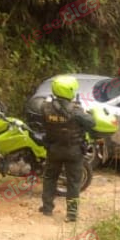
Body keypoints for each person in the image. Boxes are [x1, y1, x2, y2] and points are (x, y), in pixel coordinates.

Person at [38, 75, 96, 222]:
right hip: (74, 151)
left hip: (54, 149)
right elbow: (91, 123)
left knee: (50, 178)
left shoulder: (45, 107)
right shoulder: (76, 111)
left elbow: (43, 123)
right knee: (74, 183)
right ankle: (71, 214)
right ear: (70, 91)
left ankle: (47, 208)